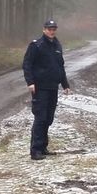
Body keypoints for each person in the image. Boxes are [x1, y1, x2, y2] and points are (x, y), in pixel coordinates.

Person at [22, 19, 71, 160]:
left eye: (54, 29)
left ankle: (43, 147)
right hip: (40, 88)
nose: (52, 31)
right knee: (40, 118)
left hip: (52, 87)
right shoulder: (36, 45)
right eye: (49, 29)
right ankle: (35, 150)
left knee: (49, 118)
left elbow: (60, 67)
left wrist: (65, 84)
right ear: (44, 30)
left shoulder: (57, 45)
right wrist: (30, 82)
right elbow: (27, 64)